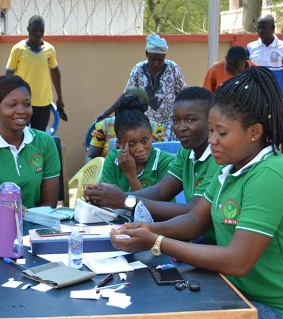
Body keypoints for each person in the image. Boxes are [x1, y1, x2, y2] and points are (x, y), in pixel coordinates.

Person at [110, 66, 283, 318]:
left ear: (254, 132)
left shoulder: (269, 174)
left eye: (222, 133)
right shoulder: (230, 169)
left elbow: (237, 260)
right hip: (231, 291)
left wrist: (157, 242)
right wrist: (148, 230)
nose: (212, 140)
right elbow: (194, 220)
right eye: (211, 130)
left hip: (266, 307)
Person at [85, 87, 219, 223]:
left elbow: (192, 212)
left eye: (190, 120)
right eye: (175, 121)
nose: (181, 127)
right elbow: (160, 191)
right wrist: (107, 196)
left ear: (211, 120)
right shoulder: (186, 153)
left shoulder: (218, 158)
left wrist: (125, 200)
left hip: (211, 241)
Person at [0, 75, 61, 209]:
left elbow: (49, 205)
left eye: (27, 104)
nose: (21, 111)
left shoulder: (45, 142)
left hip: (35, 224)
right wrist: (13, 212)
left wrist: (28, 223)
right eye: (12, 105)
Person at [95, 33, 186, 141]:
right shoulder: (138, 70)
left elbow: (183, 94)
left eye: (160, 60)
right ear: (146, 54)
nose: (156, 63)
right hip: (147, 124)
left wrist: (182, 119)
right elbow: (127, 94)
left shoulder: (173, 68)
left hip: (169, 124)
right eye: (153, 59)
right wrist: (106, 113)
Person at [100, 95, 174, 192]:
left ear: (151, 136)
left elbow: (153, 206)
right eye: (131, 144)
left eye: (144, 141)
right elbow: (107, 199)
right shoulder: (113, 159)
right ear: (120, 144)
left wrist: (131, 176)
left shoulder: (166, 162)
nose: (140, 149)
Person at [5, 15, 65, 131]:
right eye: (34, 31)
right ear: (28, 29)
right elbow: (8, 75)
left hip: (43, 103)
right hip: (23, 102)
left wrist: (60, 98)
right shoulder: (18, 49)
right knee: (20, 135)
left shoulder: (49, 49)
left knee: (39, 138)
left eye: (41, 31)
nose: (38, 34)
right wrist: (7, 99)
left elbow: (55, 72)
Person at [85, 88, 165, 163]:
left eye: (144, 141)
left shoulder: (155, 128)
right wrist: (102, 171)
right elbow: (89, 157)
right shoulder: (105, 125)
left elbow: (157, 158)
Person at [247, 14, 283, 91]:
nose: (260, 31)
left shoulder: (281, 47)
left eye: (263, 28)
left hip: (276, 96)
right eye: (258, 27)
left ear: (273, 28)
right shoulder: (250, 47)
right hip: (255, 95)